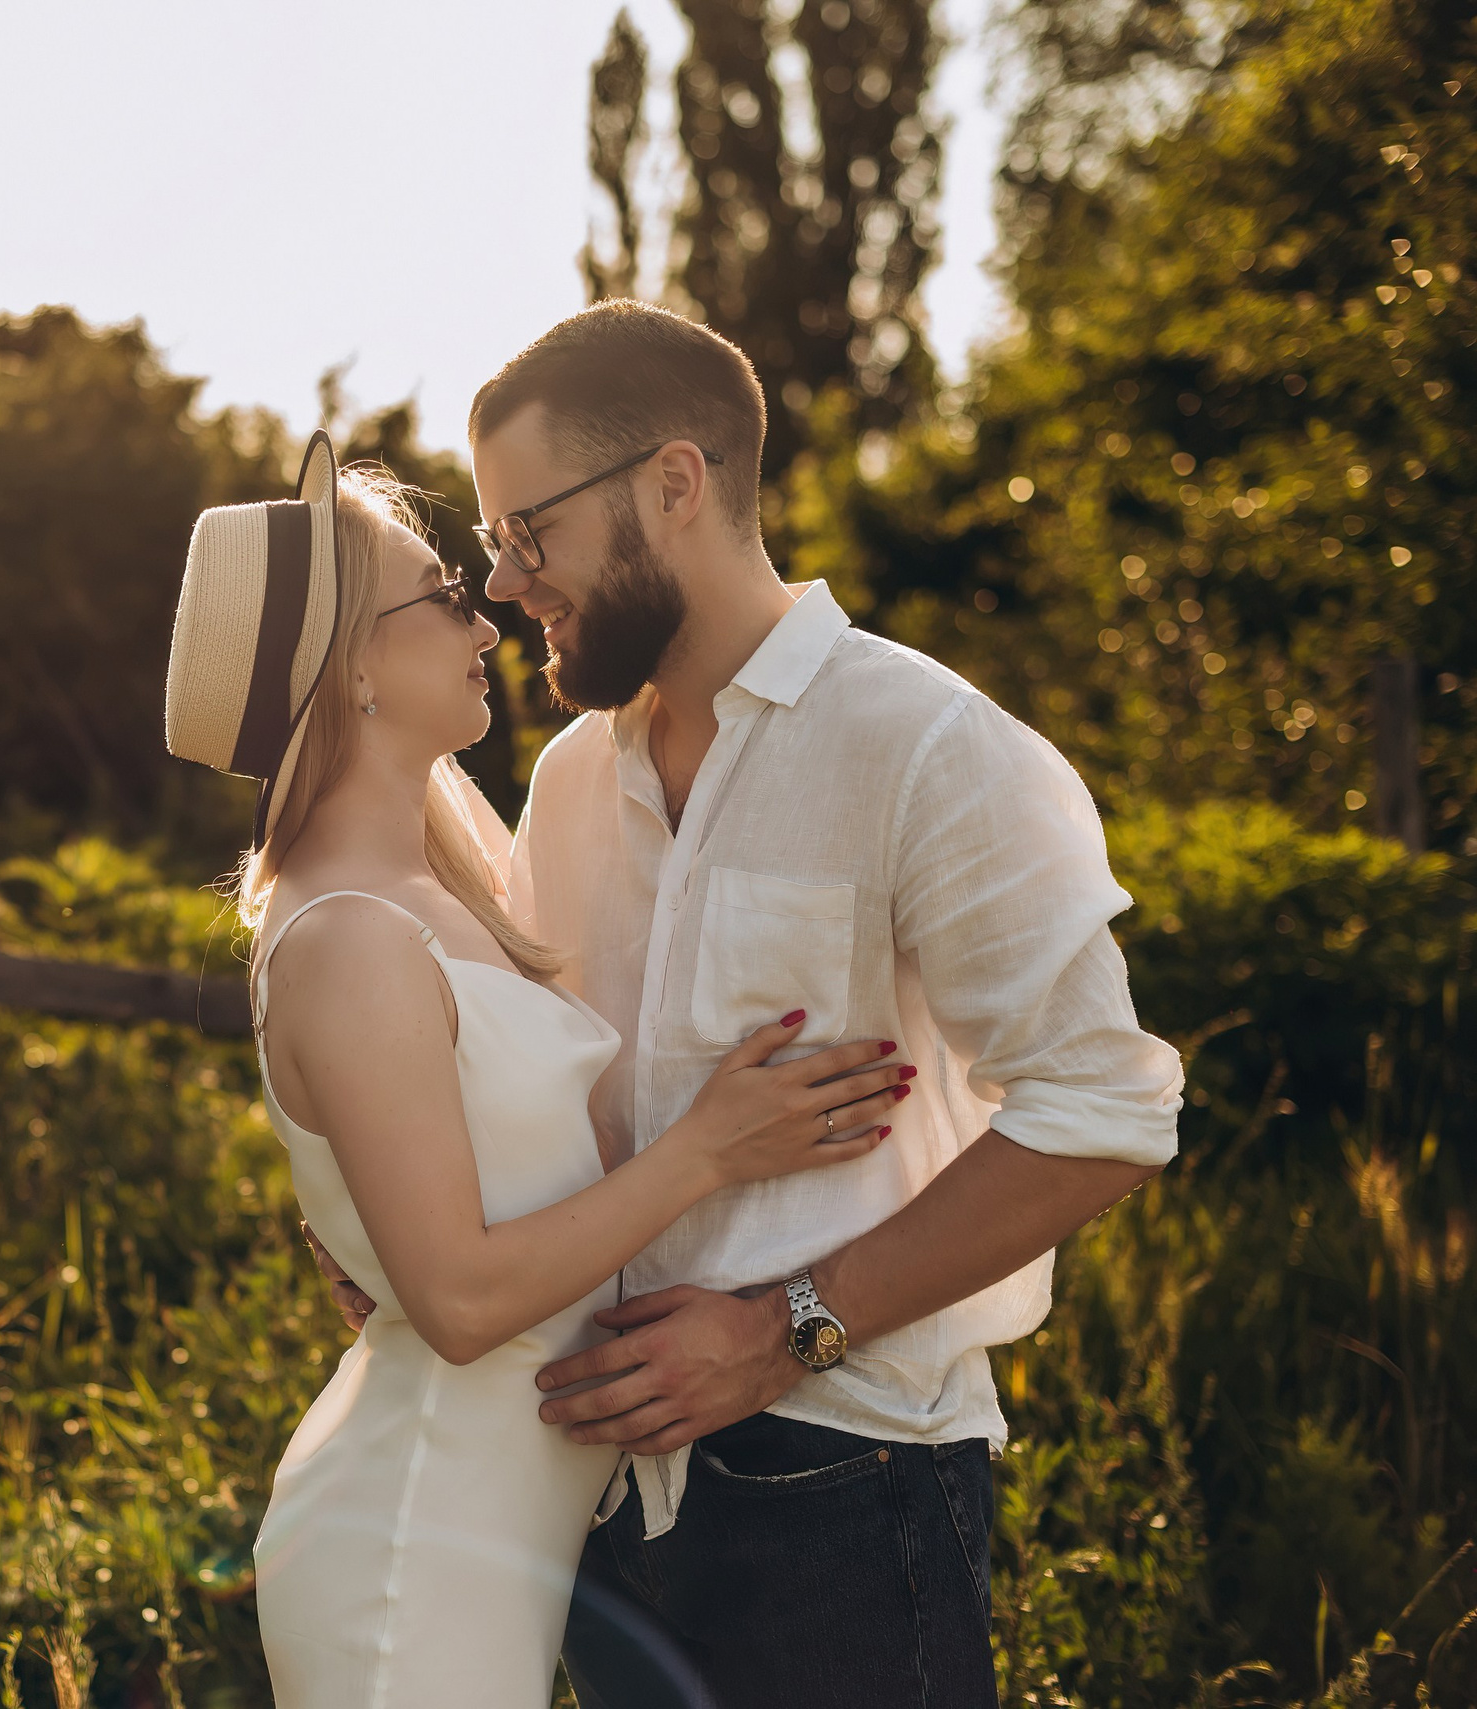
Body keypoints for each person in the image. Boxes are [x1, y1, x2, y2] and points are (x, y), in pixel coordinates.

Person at [310, 299, 1185, 1708]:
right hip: (592, 1490)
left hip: (844, 1495)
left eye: (531, 532)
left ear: (674, 482)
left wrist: (788, 1329)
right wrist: (400, 1237)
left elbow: (1108, 1114)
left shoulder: (927, 746)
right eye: (493, 544)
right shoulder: (573, 783)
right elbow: (558, 1095)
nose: (509, 582)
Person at [163, 431, 915, 1708]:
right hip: (413, 1550)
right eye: (443, 593)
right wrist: (709, 1148)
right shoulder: (348, 931)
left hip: (496, 1530)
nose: (487, 621)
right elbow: (457, 1304)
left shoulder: (431, 887)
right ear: (349, 665)